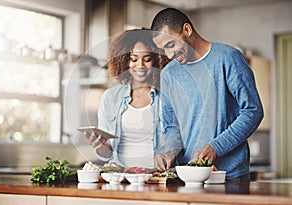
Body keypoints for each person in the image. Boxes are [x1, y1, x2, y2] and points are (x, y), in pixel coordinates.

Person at [150, 8, 264, 181]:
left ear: (187, 30)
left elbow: (253, 111)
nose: (169, 55)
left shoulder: (228, 58)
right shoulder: (168, 74)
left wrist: (215, 147)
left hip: (229, 176)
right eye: (163, 49)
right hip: (187, 176)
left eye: (170, 45)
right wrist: (169, 152)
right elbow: (173, 126)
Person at [86, 29, 169, 169]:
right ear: (124, 61)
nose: (140, 65)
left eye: (147, 59)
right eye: (133, 59)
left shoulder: (167, 97)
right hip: (120, 176)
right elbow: (106, 155)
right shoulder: (110, 98)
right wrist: (101, 146)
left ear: (156, 60)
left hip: (157, 176)